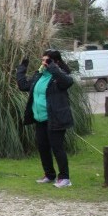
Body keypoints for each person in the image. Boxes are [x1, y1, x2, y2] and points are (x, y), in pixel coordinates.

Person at [16, 49, 75, 188]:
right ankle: (49, 175)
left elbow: (67, 82)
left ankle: (65, 178)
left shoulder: (59, 76)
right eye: (43, 60)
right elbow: (23, 85)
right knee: (43, 147)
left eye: (47, 61)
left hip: (55, 118)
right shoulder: (40, 75)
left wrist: (53, 67)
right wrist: (22, 68)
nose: (44, 63)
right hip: (40, 118)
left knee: (57, 148)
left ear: (56, 62)